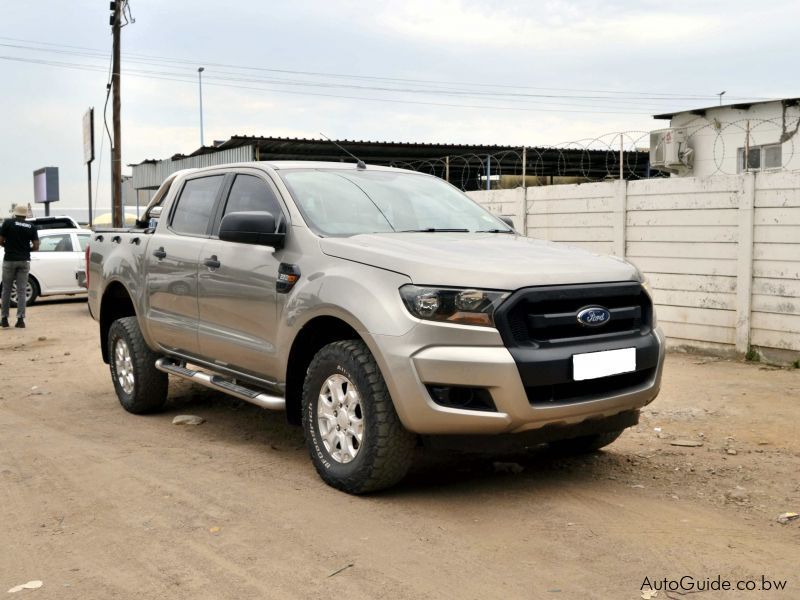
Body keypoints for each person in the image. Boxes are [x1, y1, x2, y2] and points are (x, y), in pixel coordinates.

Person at [0, 205, 40, 328]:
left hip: (10, 260)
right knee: (21, 291)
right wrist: (27, 249)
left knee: (6, 290)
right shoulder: (31, 227)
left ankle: (4, 319)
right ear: (25, 214)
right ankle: (20, 320)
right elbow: (36, 245)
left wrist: (6, 246)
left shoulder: (8, 223)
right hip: (24, 261)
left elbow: (0, 240)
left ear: (15, 213)